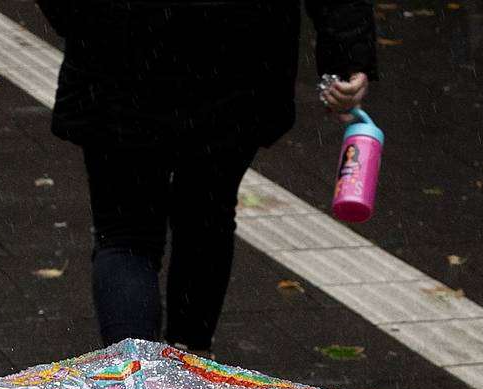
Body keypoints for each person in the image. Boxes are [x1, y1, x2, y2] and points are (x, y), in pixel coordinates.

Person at [36, 0, 378, 350]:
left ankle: (134, 369)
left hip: (121, 55)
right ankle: (193, 356)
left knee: (126, 234)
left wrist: (87, 22)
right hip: (238, 57)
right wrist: (348, 56)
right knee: (206, 215)